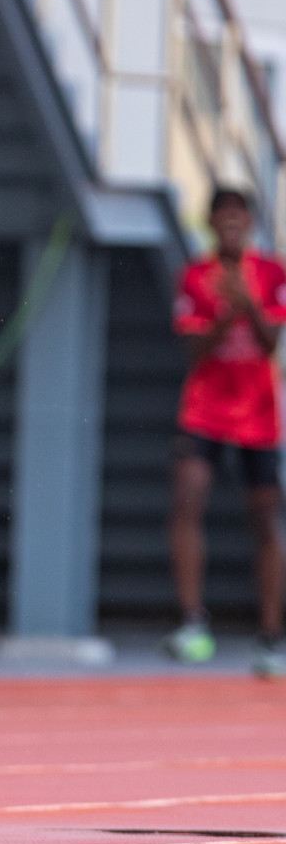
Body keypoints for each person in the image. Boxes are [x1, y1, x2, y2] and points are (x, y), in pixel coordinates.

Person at [167, 188, 286, 680]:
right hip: (206, 410)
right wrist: (223, 312)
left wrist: (248, 302)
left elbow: (271, 340)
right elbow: (195, 351)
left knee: (265, 517)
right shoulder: (195, 275)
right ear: (212, 223)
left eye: (241, 217)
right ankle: (194, 621)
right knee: (188, 498)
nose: (232, 226)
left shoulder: (272, 272)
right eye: (224, 218)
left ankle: (271, 633)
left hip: (257, 413)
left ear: (250, 223)